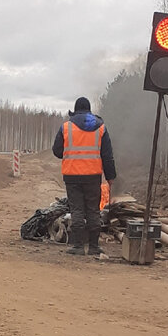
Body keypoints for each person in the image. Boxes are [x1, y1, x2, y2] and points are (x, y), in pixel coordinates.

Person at [52, 96, 117, 257]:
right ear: (89, 110)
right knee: (93, 211)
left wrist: (71, 153)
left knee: (77, 210)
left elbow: (57, 151)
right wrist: (110, 177)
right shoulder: (100, 127)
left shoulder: (66, 127)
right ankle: (94, 246)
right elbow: (107, 155)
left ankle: (79, 246)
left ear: (75, 110)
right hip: (93, 176)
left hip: (72, 175)